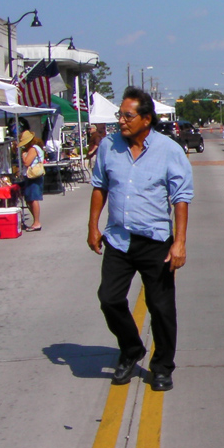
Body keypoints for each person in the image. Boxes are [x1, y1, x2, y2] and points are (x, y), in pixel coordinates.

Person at [88, 87, 194, 392]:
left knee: (160, 308)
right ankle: (132, 349)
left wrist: (180, 242)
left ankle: (162, 366)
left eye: (127, 115)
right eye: (119, 114)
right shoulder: (109, 147)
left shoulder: (169, 149)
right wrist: (93, 226)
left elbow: (181, 198)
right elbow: (100, 187)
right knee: (109, 299)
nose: (121, 120)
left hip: (155, 241)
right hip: (118, 240)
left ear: (146, 119)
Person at [17, 130, 45, 232]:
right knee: (29, 199)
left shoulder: (33, 149)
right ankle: (36, 220)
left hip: (34, 176)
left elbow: (27, 162)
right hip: (31, 176)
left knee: (33, 198)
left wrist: (23, 155)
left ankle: (37, 222)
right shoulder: (34, 148)